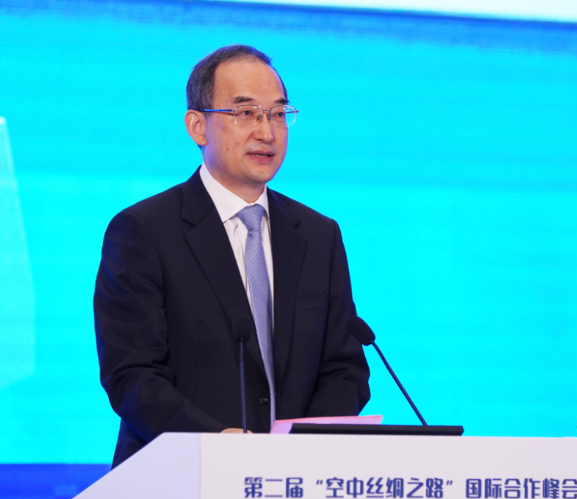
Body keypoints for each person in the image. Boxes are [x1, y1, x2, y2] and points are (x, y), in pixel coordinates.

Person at [94, 45, 370, 468]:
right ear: (197, 127)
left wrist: (305, 445)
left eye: (278, 114)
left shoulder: (318, 235)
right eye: (245, 113)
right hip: (178, 478)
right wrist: (216, 443)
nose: (267, 132)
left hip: (296, 485)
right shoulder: (144, 231)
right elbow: (131, 374)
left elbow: (345, 368)